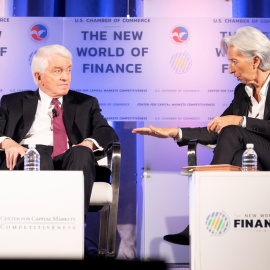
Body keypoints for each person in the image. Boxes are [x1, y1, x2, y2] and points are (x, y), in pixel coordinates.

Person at [132, 26, 270, 245]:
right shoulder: (241, 92)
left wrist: (242, 121)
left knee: (234, 130)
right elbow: (218, 129)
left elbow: (233, 127)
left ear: (255, 60)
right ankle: (225, 238)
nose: (230, 70)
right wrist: (175, 132)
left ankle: (200, 218)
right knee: (235, 154)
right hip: (250, 160)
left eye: (234, 61)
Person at [0, 44, 118, 220]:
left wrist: (88, 143)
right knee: (39, 156)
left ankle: (72, 228)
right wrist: (7, 142)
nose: (65, 77)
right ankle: (38, 227)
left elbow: (106, 131)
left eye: (68, 70)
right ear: (38, 77)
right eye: (58, 71)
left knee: (82, 153)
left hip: (71, 157)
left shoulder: (86, 103)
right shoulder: (13, 102)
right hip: (29, 156)